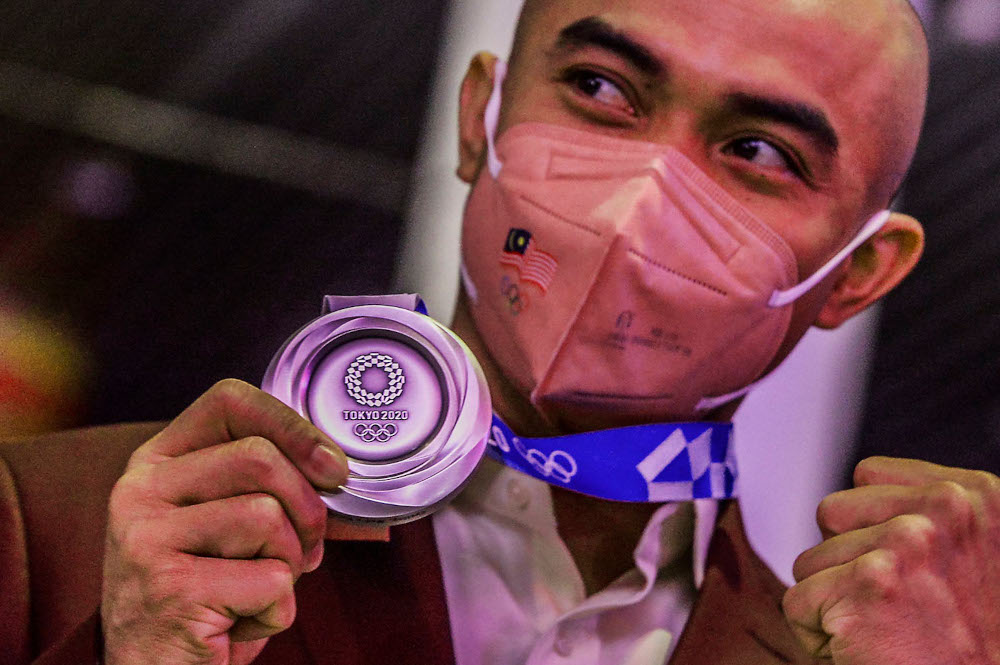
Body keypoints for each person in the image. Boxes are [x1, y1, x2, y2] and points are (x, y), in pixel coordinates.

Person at [2, 1, 998, 664]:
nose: (638, 200)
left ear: (857, 275)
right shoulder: (66, 533)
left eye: (754, 150)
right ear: (478, 115)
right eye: (603, 88)